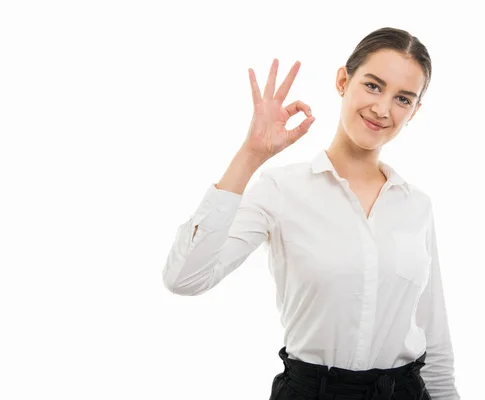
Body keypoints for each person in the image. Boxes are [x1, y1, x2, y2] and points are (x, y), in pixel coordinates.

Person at [162, 27, 460, 400]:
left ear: (414, 111)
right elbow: (185, 278)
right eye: (372, 86)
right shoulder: (281, 189)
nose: (383, 109)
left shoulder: (417, 205)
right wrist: (250, 155)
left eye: (402, 98)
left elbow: (434, 333)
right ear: (342, 80)